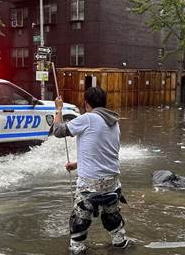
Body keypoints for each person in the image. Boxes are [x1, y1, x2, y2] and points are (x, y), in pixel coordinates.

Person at [52, 87, 130, 254]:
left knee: (79, 221)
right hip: (113, 183)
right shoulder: (114, 122)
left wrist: (58, 109)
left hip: (90, 185)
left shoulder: (88, 118)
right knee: (112, 217)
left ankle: (78, 249)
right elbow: (102, 153)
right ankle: (120, 243)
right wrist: (77, 164)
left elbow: (58, 131)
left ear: (86, 103)